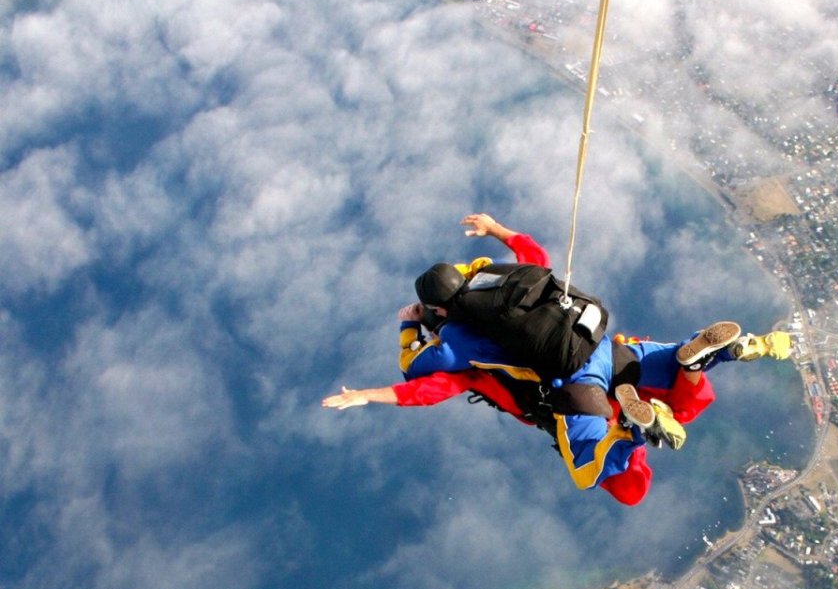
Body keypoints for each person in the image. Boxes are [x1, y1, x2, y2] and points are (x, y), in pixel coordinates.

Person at [323, 213, 792, 505]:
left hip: (575, 385)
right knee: (690, 399)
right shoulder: (497, 279)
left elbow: (422, 383)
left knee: (608, 479)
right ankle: (697, 360)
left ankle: (631, 428)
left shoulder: (462, 342)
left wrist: (392, 355)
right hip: (611, 347)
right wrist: (495, 229)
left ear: (440, 312)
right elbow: (535, 255)